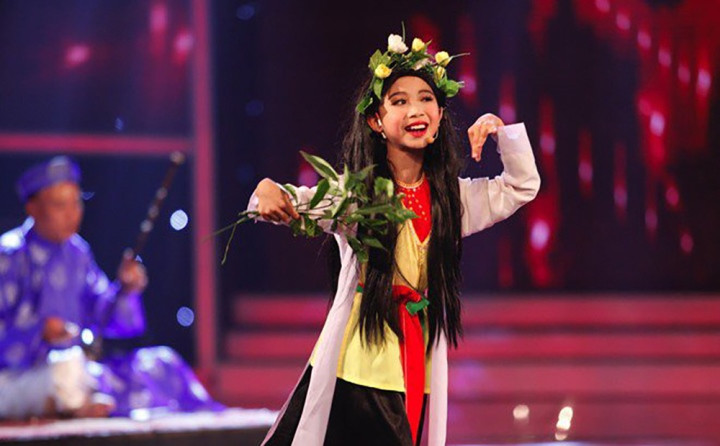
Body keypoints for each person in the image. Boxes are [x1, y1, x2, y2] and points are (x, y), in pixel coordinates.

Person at [247, 32, 541, 446]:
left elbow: (520, 187)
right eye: (399, 101)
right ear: (376, 121)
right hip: (363, 363)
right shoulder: (356, 196)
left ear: (440, 115)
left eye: (426, 99)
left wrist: (500, 132)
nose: (415, 109)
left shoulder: (452, 200)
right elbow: (297, 200)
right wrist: (265, 190)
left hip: (413, 360)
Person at [0, 156, 221, 419]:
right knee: (67, 374)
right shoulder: (9, 254)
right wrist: (37, 332)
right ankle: (78, 403)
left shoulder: (77, 253)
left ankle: (83, 403)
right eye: (60, 205)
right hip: (22, 375)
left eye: (76, 203)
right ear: (32, 208)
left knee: (162, 362)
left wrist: (125, 290)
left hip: (82, 369)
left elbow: (106, 318)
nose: (72, 214)